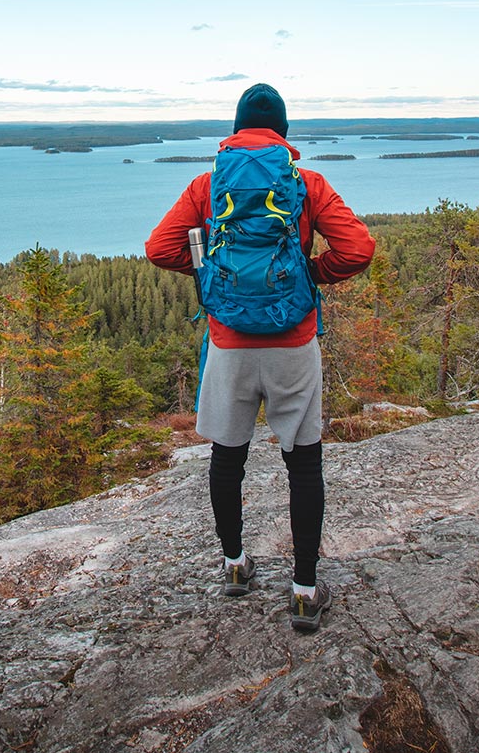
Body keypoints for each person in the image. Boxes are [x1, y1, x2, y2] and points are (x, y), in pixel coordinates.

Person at [145, 83, 374, 631]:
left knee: (228, 457)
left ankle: (234, 565)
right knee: (304, 461)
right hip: (293, 344)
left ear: (236, 127)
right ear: (284, 133)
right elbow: (358, 249)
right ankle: (303, 590)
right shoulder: (306, 183)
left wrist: (214, 282)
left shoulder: (207, 184)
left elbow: (160, 248)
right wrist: (307, 277)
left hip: (229, 346)